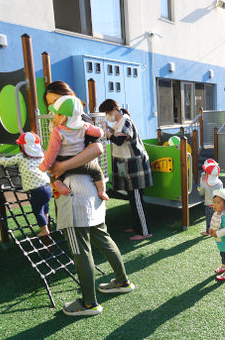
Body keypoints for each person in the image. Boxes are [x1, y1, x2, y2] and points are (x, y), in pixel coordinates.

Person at [45, 82, 134, 316]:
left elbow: (97, 150)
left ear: (66, 98)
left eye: (54, 102)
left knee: (80, 250)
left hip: (75, 193)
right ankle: (122, 281)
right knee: (102, 238)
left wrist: (60, 166)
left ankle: (88, 303)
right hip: (92, 189)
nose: (51, 108)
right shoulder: (79, 120)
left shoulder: (71, 120)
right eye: (49, 104)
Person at [98, 99, 153, 241]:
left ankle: (145, 231)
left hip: (135, 164)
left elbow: (119, 140)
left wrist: (107, 132)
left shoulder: (125, 120)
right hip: (127, 164)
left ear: (113, 110)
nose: (107, 116)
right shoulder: (118, 122)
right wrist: (108, 130)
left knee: (137, 199)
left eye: (107, 113)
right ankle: (137, 227)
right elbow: (116, 136)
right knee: (133, 198)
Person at [39, 95, 108, 201]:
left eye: (57, 115)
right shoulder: (83, 126)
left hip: (62, 160)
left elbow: (52, 152)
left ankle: (58, 183)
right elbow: (99, 132)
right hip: (80, 162)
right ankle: (102, 191)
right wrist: (101, 131)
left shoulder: (57, 131)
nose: (54, 118)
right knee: (97, 171)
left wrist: (44, 166)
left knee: (54, 174)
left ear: (64, 117)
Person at [0, 132, 52, 237]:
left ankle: (44, 229)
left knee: (37, 210)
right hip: (47, 187)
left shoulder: (21, 156)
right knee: (45, 207)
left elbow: (8, 161)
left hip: (37, 189)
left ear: (22, 147)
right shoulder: (41, 155)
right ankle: (46, 224)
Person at [199, 159, 223, 236]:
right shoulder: (220, 183)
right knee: (217, 219)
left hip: (209, 204)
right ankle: (218, 231)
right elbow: (221, 193)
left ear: (207, 173)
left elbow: (201, 193)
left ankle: (208, 231)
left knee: (209, 219)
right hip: (218, 204)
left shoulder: (205, 183)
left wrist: (200, 188)